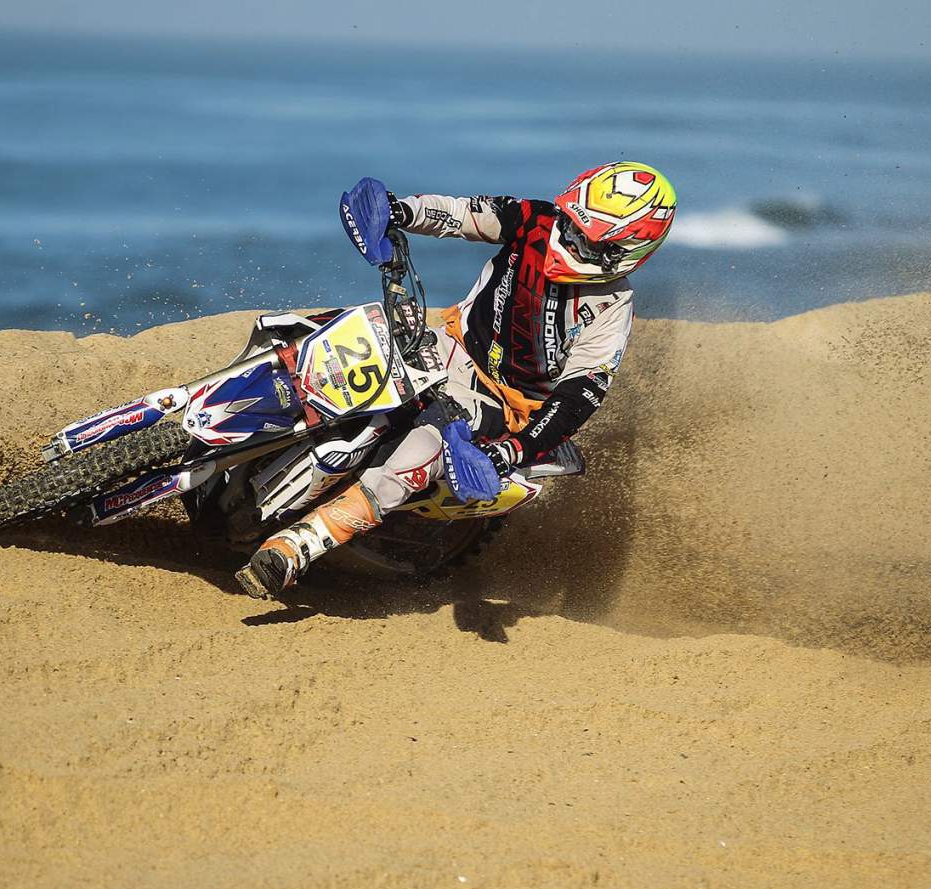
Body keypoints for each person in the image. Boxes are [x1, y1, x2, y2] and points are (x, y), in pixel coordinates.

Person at [235, 161, 677, 599]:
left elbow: (578, 396)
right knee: (323, 334)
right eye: (574, 225)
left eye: (589, 240)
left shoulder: (611, 308)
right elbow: (463, 213)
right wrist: (399, 212)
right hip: (449, 343)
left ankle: (296, 548)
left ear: (625, 252)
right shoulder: (536, 221)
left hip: (502, 404)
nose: (573, 240)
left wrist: (513, 450)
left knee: (414, 457)